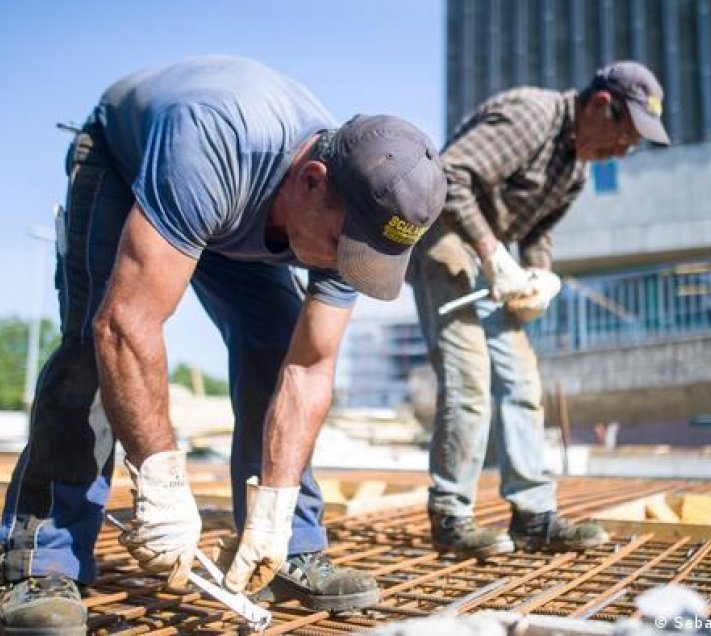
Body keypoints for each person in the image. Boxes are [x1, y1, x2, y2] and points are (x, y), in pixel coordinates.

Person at [0, 55, 446, 633]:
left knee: (277, 346)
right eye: (344, 245)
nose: (347, 266)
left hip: (246, 212)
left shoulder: (354, 214)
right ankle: (44, 560)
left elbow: (308, 370)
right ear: (312, 181)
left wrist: (275, 507)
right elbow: (128, 325)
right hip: (127, 164)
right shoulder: (211, 142)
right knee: (92, 345)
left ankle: (292, 545)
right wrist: (160, 481)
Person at [408, 61, 669, 559]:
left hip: (492, 253)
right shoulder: (532, 116)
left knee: (522, 380)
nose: (625, 150)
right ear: (600, 105)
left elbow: (537, 232)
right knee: (469, 376)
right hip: (446, 239)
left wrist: (539, 273)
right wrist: (490, 253)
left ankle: (533, 516)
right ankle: (451, 516)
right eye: (625, 135)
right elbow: (449, 174)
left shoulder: (577, 167)